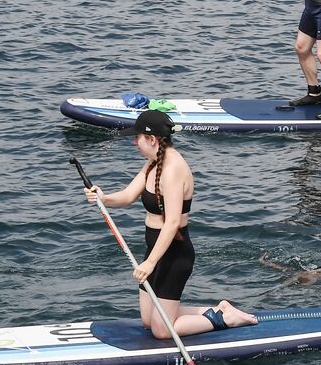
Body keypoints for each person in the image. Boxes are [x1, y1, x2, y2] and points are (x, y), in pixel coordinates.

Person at [85, 110, 257, 337]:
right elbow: (127, 196)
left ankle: (224, 318)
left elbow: (173, 221)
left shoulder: (173, 168)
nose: (134, 142)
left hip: (174, 254)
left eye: (137, 138)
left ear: (152, 139)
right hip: (155, 250)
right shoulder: (152, 163)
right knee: (148, 320)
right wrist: (103, 198)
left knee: (161, 330)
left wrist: (149, 263)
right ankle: (215, 309)